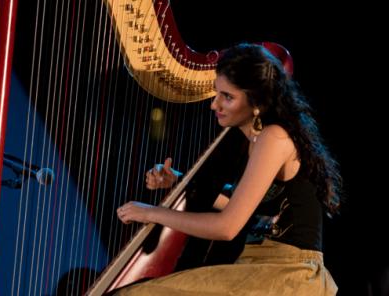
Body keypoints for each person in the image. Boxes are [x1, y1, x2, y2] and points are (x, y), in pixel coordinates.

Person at [115, 42, 342, 295]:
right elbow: (237, 205)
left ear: (256, 100)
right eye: (217, 93)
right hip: (262, 267)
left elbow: (227, 227)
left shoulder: (274, 137)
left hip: (289, 275)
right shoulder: (256, 140)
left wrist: (150, 213)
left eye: (228, 97)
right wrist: (177, 181)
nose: (215, 105)